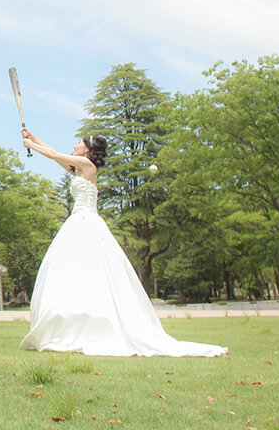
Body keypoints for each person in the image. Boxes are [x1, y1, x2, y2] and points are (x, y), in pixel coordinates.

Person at [19, 129, 226, 357]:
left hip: (86, 221)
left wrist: (32, 146)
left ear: (87, 149)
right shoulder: (78, 169)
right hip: (77, 221)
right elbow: (54, 154)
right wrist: (34, 138)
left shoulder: (87, 166)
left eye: (78, 143)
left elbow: (52, 154)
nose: (75, 145)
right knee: (74, 272)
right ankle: (73, 323)